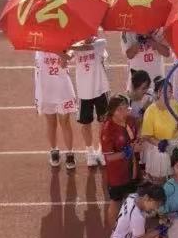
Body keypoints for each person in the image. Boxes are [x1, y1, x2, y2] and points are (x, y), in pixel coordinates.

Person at [70, 35, 110, 167]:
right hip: (84, 92)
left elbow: (87, 48)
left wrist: (69, 46)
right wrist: (56, 48)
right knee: (85, 124)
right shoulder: (75, 46)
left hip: (100, 89)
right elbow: (65, 59)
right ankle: (90, 152)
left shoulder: (100, 42)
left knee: (103, 122)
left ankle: (102, 150)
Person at [100, 95, 139, 225]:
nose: (123, 112)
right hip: (116, 175)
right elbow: (109, 157)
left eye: (125, 108)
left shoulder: (131, 120)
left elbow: (135, 138)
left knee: (132, 200)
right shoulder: (107, 129)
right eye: (119, 109)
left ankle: (130, 227)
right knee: (116, 202)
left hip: (132, 170)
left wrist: (138, 143)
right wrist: (129, 151)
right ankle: (114, 231)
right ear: (112, 111)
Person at [35, 50, 77, 169]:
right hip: (46, 89)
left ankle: (70, 153)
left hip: (62, 90)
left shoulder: (64, 45)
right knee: (51, 122)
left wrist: (59, 52)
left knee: (65, 122)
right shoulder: (39, 48)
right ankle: (54, 150)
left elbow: (68, 58)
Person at [140, 76, 178, 181]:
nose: (168, 94)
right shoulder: (150, 111)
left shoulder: (176, 106)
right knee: (160, 182)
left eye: (170, 91)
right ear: (158, 93)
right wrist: (160, 144)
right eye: (165, 91)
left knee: (176, 180)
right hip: (159, 150)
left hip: (175, 147)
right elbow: (146, 136)